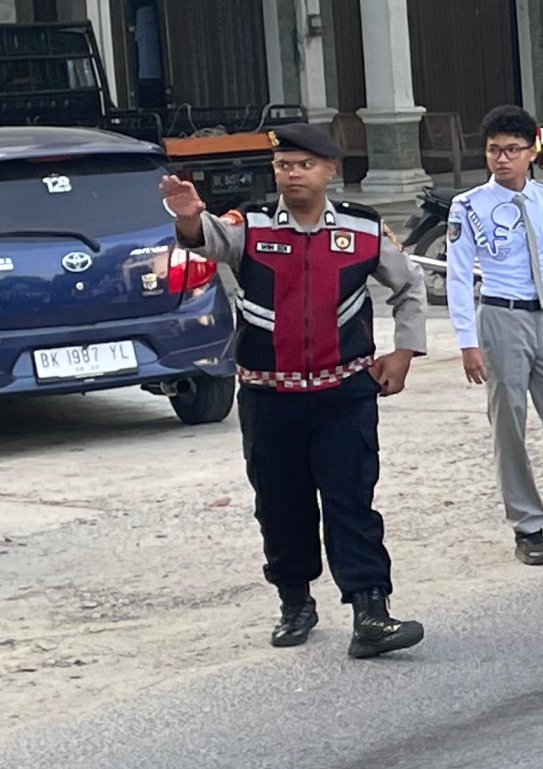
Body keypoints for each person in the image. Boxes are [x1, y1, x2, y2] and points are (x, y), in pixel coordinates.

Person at [160, 123, 427, 657]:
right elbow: (208, 239)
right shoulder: (250, 224)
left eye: (305, 165)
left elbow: (409, 285)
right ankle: (295, 601)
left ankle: (371, 611)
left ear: (330, 171)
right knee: (281, 505)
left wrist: (404, 352)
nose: (293, 174)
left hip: (344, 393)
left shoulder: (363, 227)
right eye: (284, 165)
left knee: (351, 501)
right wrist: (188, 217)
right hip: (269, 397)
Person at [447, 104, 543, 565]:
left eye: (512, 150)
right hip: (501, 316)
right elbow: (458, 276)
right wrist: (467, 341)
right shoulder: (469, 206)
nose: (503, 159)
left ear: (532, 151)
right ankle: (527, 526)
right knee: (509, 424)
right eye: (494, 150)